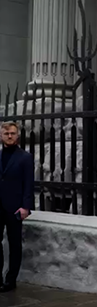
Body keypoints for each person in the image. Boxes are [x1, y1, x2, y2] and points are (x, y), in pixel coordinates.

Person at [0, 121, 34, 293]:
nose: (9, 136)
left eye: (12, 133)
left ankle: (10, 280)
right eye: (6, 133)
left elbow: (29, 184)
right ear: (1, 135)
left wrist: (26, 207)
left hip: (15, 208)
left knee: (14, 245)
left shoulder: (25, 157)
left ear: (17, 135)